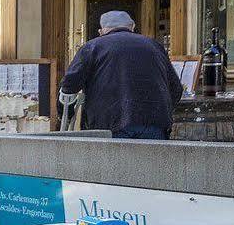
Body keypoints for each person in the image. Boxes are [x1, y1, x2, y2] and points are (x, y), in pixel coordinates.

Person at [61, 10, 184, 140]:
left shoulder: (93, 46)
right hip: (154, 123)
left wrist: (64, 116)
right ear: (132, 27)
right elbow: (176, 89)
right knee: (151, 160)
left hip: (109, 124)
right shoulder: (154, 46)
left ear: (101, 31)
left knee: (111, 160)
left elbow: (69, 85)